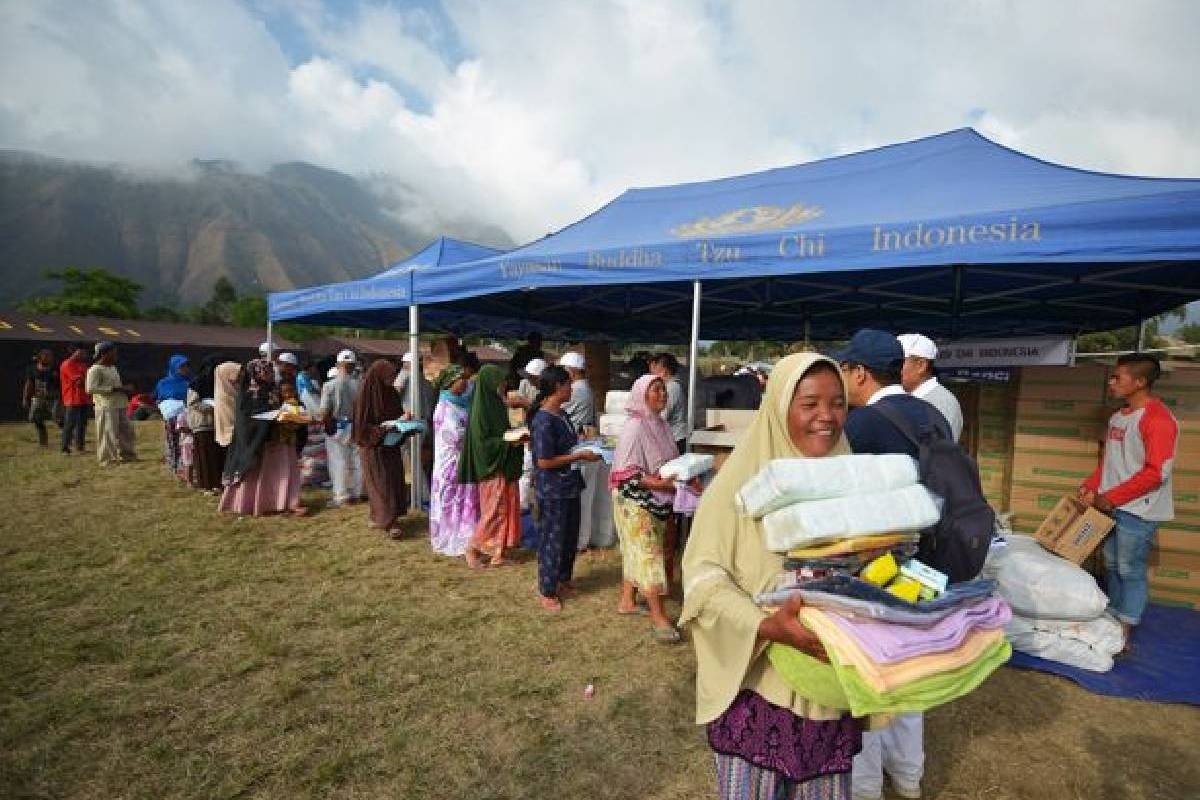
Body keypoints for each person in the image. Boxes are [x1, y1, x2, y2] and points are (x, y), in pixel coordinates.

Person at [679, 353, 864, 800]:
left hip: (828, 692)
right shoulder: (738, 486)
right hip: (759, 692)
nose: (826, 417)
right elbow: (704, 579)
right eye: (810, 404)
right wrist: (765, 624)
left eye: (837, 403)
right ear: (779, 408)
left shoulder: (852, 480)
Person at [835, 329, 949, 800]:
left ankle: (863, 787)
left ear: (859, 372)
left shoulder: (862, 425)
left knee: (868, 675)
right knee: (910, 672)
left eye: (844, 370)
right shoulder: (934, 414)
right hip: (929, 561)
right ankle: (907, 776)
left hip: (877, 567)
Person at [1080, 352, 1178, 652]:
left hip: (1138, 509)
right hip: (1112, 505)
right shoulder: (1119, 417)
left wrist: (1111, 497)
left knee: (1129, 568)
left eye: (1117, 377)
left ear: (1140, 382)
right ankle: (1112, 618)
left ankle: (1124, 631)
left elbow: (1156, 473)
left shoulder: (1158, 419)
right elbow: (1110, 462)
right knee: (1112, 564)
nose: (1111, 382)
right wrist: (1091, 486)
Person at [609, 374, 681, 642]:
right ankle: (659, 617)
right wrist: (663, 484)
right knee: (649, 555)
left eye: (664, 390)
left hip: (655, 496)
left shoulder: (660, 424)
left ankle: (627, 600)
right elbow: (627, 474)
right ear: (642, 394)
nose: (663, 395)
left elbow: (669, 461)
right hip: (634, 499)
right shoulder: (635, 427)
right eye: (656, 390)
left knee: (638, 551)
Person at [530, 366, 602, 611]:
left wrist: (588, 444)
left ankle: (563, 578)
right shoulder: (543, 420)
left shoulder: (563, 415)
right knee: (553, 538)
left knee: (569, 536)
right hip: (553, 489)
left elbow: (567, 445)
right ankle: (547, 589)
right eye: (568, 385)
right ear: (557, 387)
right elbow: (544, 461)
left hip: (569, 485)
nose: (572, 389)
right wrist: (578, 456)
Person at [219, 358, 307, 517]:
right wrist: (267, 419)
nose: (270, 375)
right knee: (257, 475)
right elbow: (247, 419)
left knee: (280, 472)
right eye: (265, 372)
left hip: (277, 438)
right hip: (258, 441)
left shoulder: (273, 389)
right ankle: (251, 504)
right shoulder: (249, 393)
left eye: (270, 371)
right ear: (256, 373)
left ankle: (284, 503)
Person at [459, 365, 525, 568]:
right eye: (499, 383)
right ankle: (473, 547)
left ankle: (498, 553)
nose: (503, 386)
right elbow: (482, 444)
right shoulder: (481, 410)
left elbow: (503, 430)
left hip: (503, 464)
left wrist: (515, 434)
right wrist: (507, 442)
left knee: (506, 506)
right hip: (492, 466)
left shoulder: (496, 404)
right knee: (494, 510)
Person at [352, 359, 410, 537]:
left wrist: (405, 421)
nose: (392, 380)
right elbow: (361, 427)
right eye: (389, 376)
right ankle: (389, 523)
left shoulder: (391, 393)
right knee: (380, 483)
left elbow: (396, 414)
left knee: (393, 481)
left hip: (390, 445)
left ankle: (382, 516)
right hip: (372, 447)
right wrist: (382, 429)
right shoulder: (365, 396)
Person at [429, 364, 481, 557]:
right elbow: (454, 437)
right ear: (451, 382)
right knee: (450, 500)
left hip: (462, 460)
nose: (465, 383)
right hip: (450, 463)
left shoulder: (459, 403)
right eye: (462, 380)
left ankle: (464, 536)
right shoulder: (444, 407)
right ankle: (450, 537)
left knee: (461, 500)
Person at [897, 333, 963, 442]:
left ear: (921, 365)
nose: (892, 369)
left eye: (898, 363)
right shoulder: (906, 397)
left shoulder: (942, 402)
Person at [320, 350, 364, 508]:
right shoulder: (361, 385)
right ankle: (358, 493)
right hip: (357, 425)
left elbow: (324, 411)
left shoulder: (329, 385)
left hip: (337, 426)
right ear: (353, 365)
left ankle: (342, 496)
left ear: (338, 365)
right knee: (357, 461)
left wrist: (326, 424)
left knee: (338, 461)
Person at [395, 352, 436, 506]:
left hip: (409, 423)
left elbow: (395, 393)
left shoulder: (405, 375)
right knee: (416, 461)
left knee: (410, 463)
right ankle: (421, 494)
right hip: (424, 423)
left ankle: (419, 495)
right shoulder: (426, 382)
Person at [86, 342, 137, 466]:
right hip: (106, 406)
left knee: (127, 431)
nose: (115, 355)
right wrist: (115, 389)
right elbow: (90, 389)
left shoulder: (112, 368)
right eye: (113, 353)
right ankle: (107, 460)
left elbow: (117, 386)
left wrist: (124, 389)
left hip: (120, 404)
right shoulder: (94, 370)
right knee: (107, 434)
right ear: (104, 354)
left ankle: (127, 455)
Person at [185, 355, 226, 492]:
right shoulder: (196, 383)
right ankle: (206, 485)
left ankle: (218, 483)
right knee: (204, 456)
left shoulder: (219, 383)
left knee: (217, 455)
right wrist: (214, 407)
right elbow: (193, 403)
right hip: (202, 423)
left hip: (217, 423)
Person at [154, 354, 191, 479]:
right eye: (182, 366)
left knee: (185, 442)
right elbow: (158, 398)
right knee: (172, 441)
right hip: (170, 417)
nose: (186, 369)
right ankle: (174, 466)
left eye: (187, 366)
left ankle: (184, 466)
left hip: (185, 417)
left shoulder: (189, 382)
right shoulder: (163, 383)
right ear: (175, 367)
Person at [652, 352, 689, 454]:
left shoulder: (672, 388)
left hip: (676, 438)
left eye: (655, 369)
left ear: (664, 370)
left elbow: (663, 414)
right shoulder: (671, 386)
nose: (653, 374)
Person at [23, 349, 59, 448]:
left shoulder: (55, 369)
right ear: (40, 357)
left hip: (53, 398)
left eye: (50, 356)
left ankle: (68, 436)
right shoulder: (32, 369)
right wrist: (26, 398)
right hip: (38, 397)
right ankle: (43, 442)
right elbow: (29, 384)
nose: (49, 358)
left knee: (58, 418)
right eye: (46, 356)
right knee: (35, 418)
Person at [59, 344, 90, 455]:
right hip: (72, 399)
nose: (84, 355)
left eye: (85, 353)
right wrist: (89, 381)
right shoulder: (67, 364)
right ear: (74, 352)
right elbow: (79, 382)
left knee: (82, 424)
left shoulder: (83, 365)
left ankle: (80, 446)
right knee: (70, 424)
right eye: (81, 352)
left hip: (84, 399)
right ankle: (65, 448)